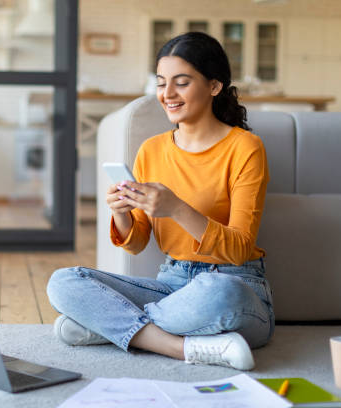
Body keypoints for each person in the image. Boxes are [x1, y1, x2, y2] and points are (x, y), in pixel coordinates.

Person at [46, 32, 274, 371]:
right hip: (172, 285)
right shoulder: (151, 150)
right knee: (63, 282)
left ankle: (110, 327)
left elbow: (240, 248)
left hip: (234, 282)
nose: (167, 95)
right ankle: (179, 347)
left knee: (220, 292)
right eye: (161, 83)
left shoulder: (245, 148)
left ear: (214, 86)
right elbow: (137, 243)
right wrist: (121, 213)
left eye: (181, 83)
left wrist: (177, 209)